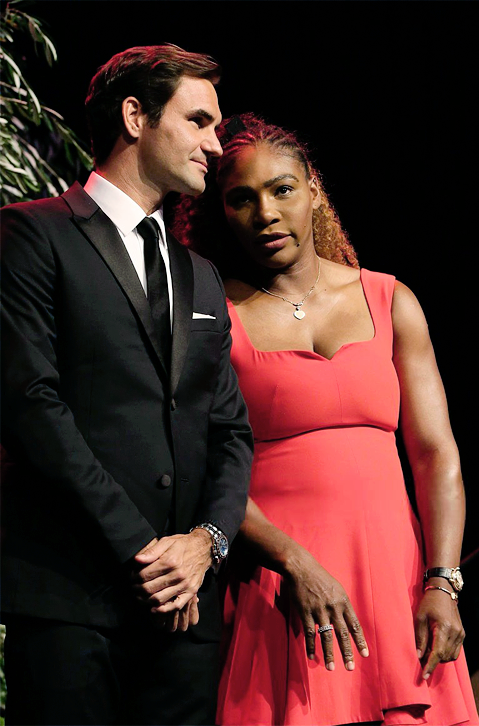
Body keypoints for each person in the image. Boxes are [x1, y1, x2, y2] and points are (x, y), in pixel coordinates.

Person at [172, 113, 479, 726]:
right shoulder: (212, 318)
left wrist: (442, 582)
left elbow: (434, 452)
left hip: (396, 584)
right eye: (242, 198)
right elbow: (204, 467)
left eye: (282, 188)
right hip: (282, 585)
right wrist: (295, 562)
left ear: (314, 189)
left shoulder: (390, 300)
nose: (265, 213)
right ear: (220, 211)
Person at [0, 45, 253, 726]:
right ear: (136, 115)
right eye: (200, 121)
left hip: (184, 616)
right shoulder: (30, 234)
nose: (216, 144)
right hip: (70, 596)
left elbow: (230, 431)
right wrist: (146, 551)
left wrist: (208, 544)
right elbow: (31, 404)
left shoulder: (198, 274)